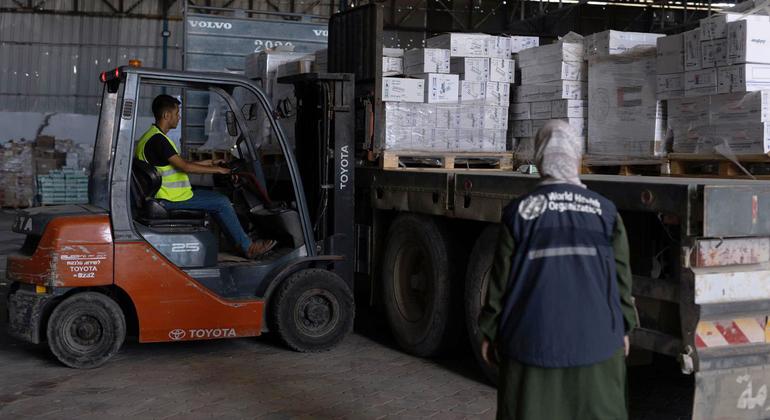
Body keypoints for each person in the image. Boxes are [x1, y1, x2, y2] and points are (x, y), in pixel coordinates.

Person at [478, 120, 637, 420]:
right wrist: (625, 327)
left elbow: (500, 284)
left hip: (529, 349)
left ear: (540, 158)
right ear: (577, 157)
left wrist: (489, 330)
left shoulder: (519, 213)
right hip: (599, 348)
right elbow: (621, 281)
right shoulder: (605, 212)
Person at [135, 94, 276, 259]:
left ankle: (239, 244)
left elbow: (179, 163)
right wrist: (219, 170)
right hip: (169, 199)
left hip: (164, 196)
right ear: (166, 115)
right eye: (176, 113)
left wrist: (211, 162)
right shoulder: (159, 141)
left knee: (215, 199)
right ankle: (248, 247)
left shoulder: (150, 137)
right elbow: (185, 167)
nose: (179, 117)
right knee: (221, 202)